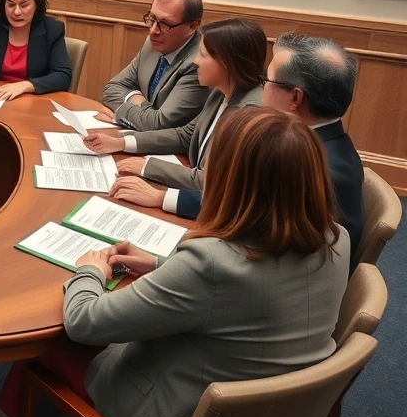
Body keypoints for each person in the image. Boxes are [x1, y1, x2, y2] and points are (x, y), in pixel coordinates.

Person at [0, 107, 350, 417]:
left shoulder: (210, 264)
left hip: (173, 405)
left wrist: (89, 270)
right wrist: (158, 264)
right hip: (273, 399)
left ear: (231, 182)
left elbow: (84, 323)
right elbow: (236, 294)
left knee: (45, 341)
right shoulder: (336, 238)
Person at [110, 33, 364, 261]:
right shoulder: (321, 144)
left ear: (295, 98)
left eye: (267, 79)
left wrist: (159, 198)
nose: (260, 86)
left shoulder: (308, 166)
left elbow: (247, 221)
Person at [83, 18, 266, 192]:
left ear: (226, 63)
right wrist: (122, 143)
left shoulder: (249, 113)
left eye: (202, 55)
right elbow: (186, 135)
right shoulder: (222, 91)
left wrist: (148, 167)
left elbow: (209, 181)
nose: (195, 61)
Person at [100, 0, 209, 131]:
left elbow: (159, 124)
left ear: (192, 27)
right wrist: (138, 101)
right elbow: (112, 89)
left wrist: (122, 112)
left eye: (165, 24)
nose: (153, 31)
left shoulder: (199, 63)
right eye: (152, 18)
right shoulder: (153, 44)